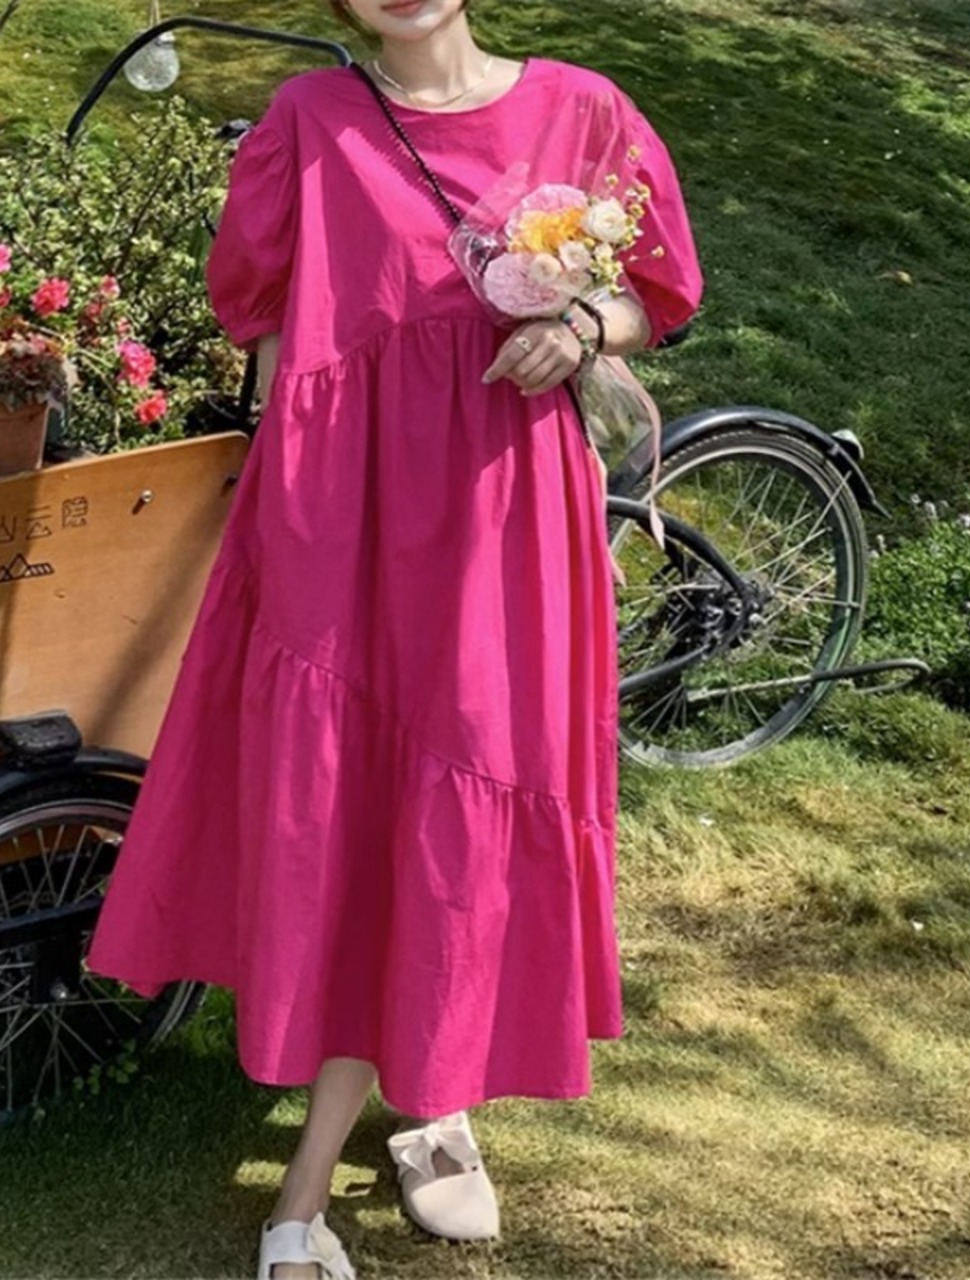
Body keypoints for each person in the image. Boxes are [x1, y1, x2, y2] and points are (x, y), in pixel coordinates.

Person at [87, 1, 702, 1276]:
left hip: (502, 508)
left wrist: (580, 328)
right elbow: (262, 319)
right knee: (350, 800)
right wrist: (291, 508)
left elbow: (656, 292)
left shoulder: (581, 110)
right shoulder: (309, 123)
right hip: (342, 515)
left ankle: (432, 1095)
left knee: (469, 780)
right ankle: (397, 1108)